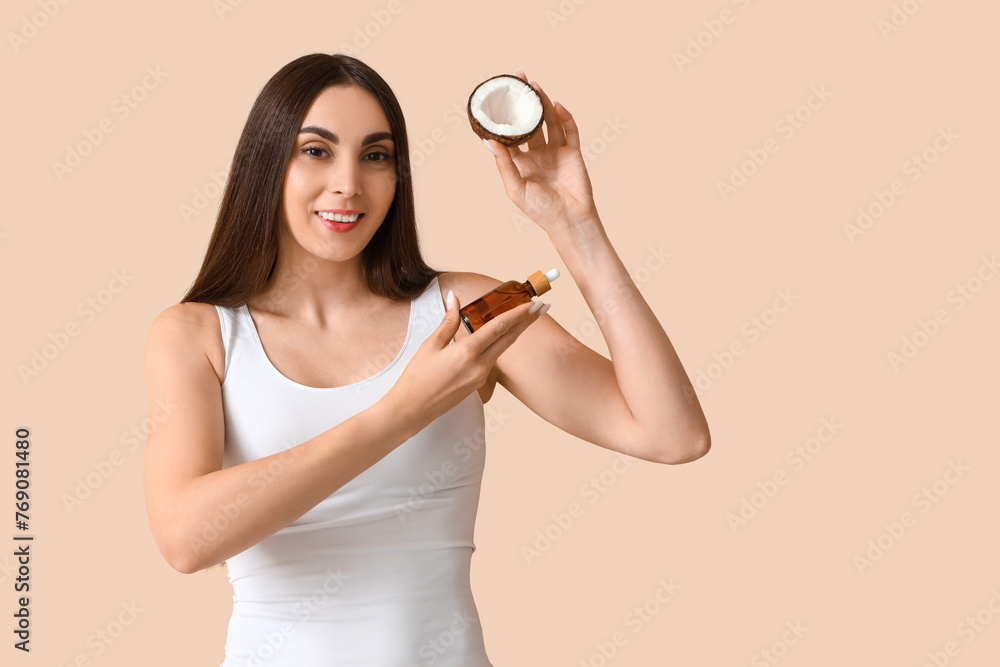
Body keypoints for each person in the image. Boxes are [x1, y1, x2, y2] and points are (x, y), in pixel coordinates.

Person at [142, 52, 710, 666]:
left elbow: (672, 434)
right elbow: (185, 539)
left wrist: (575, 227)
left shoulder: (466, 308)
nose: (349, 183)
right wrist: (405, 410)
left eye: (376, 155)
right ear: (266, 162)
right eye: (316, 150)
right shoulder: (198, 334)